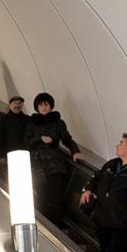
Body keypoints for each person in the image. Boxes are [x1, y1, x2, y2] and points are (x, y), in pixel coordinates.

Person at [25, 92, 84, 225]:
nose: (44, 107)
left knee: (56, 195)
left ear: (51, 106)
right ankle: (43, 225)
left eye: (46, 104)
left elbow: (66, 138)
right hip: (38, 163)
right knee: (41, 195)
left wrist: (75, 151)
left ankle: (55, 226)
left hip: (55, 163)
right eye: (41, 105)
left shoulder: (58, 122)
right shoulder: (32, 123)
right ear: (37, 107)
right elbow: (27, 142)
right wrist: (40, 138)